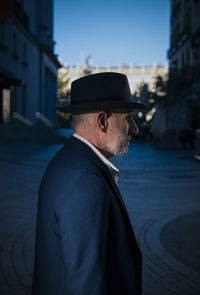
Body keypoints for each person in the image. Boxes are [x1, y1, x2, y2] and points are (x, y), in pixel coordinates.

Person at [31, 72, 149, 295]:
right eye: (128, 118)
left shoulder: (69, 160)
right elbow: (85, 283)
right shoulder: (84, 179)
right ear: (102, 121)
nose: (135, 129)